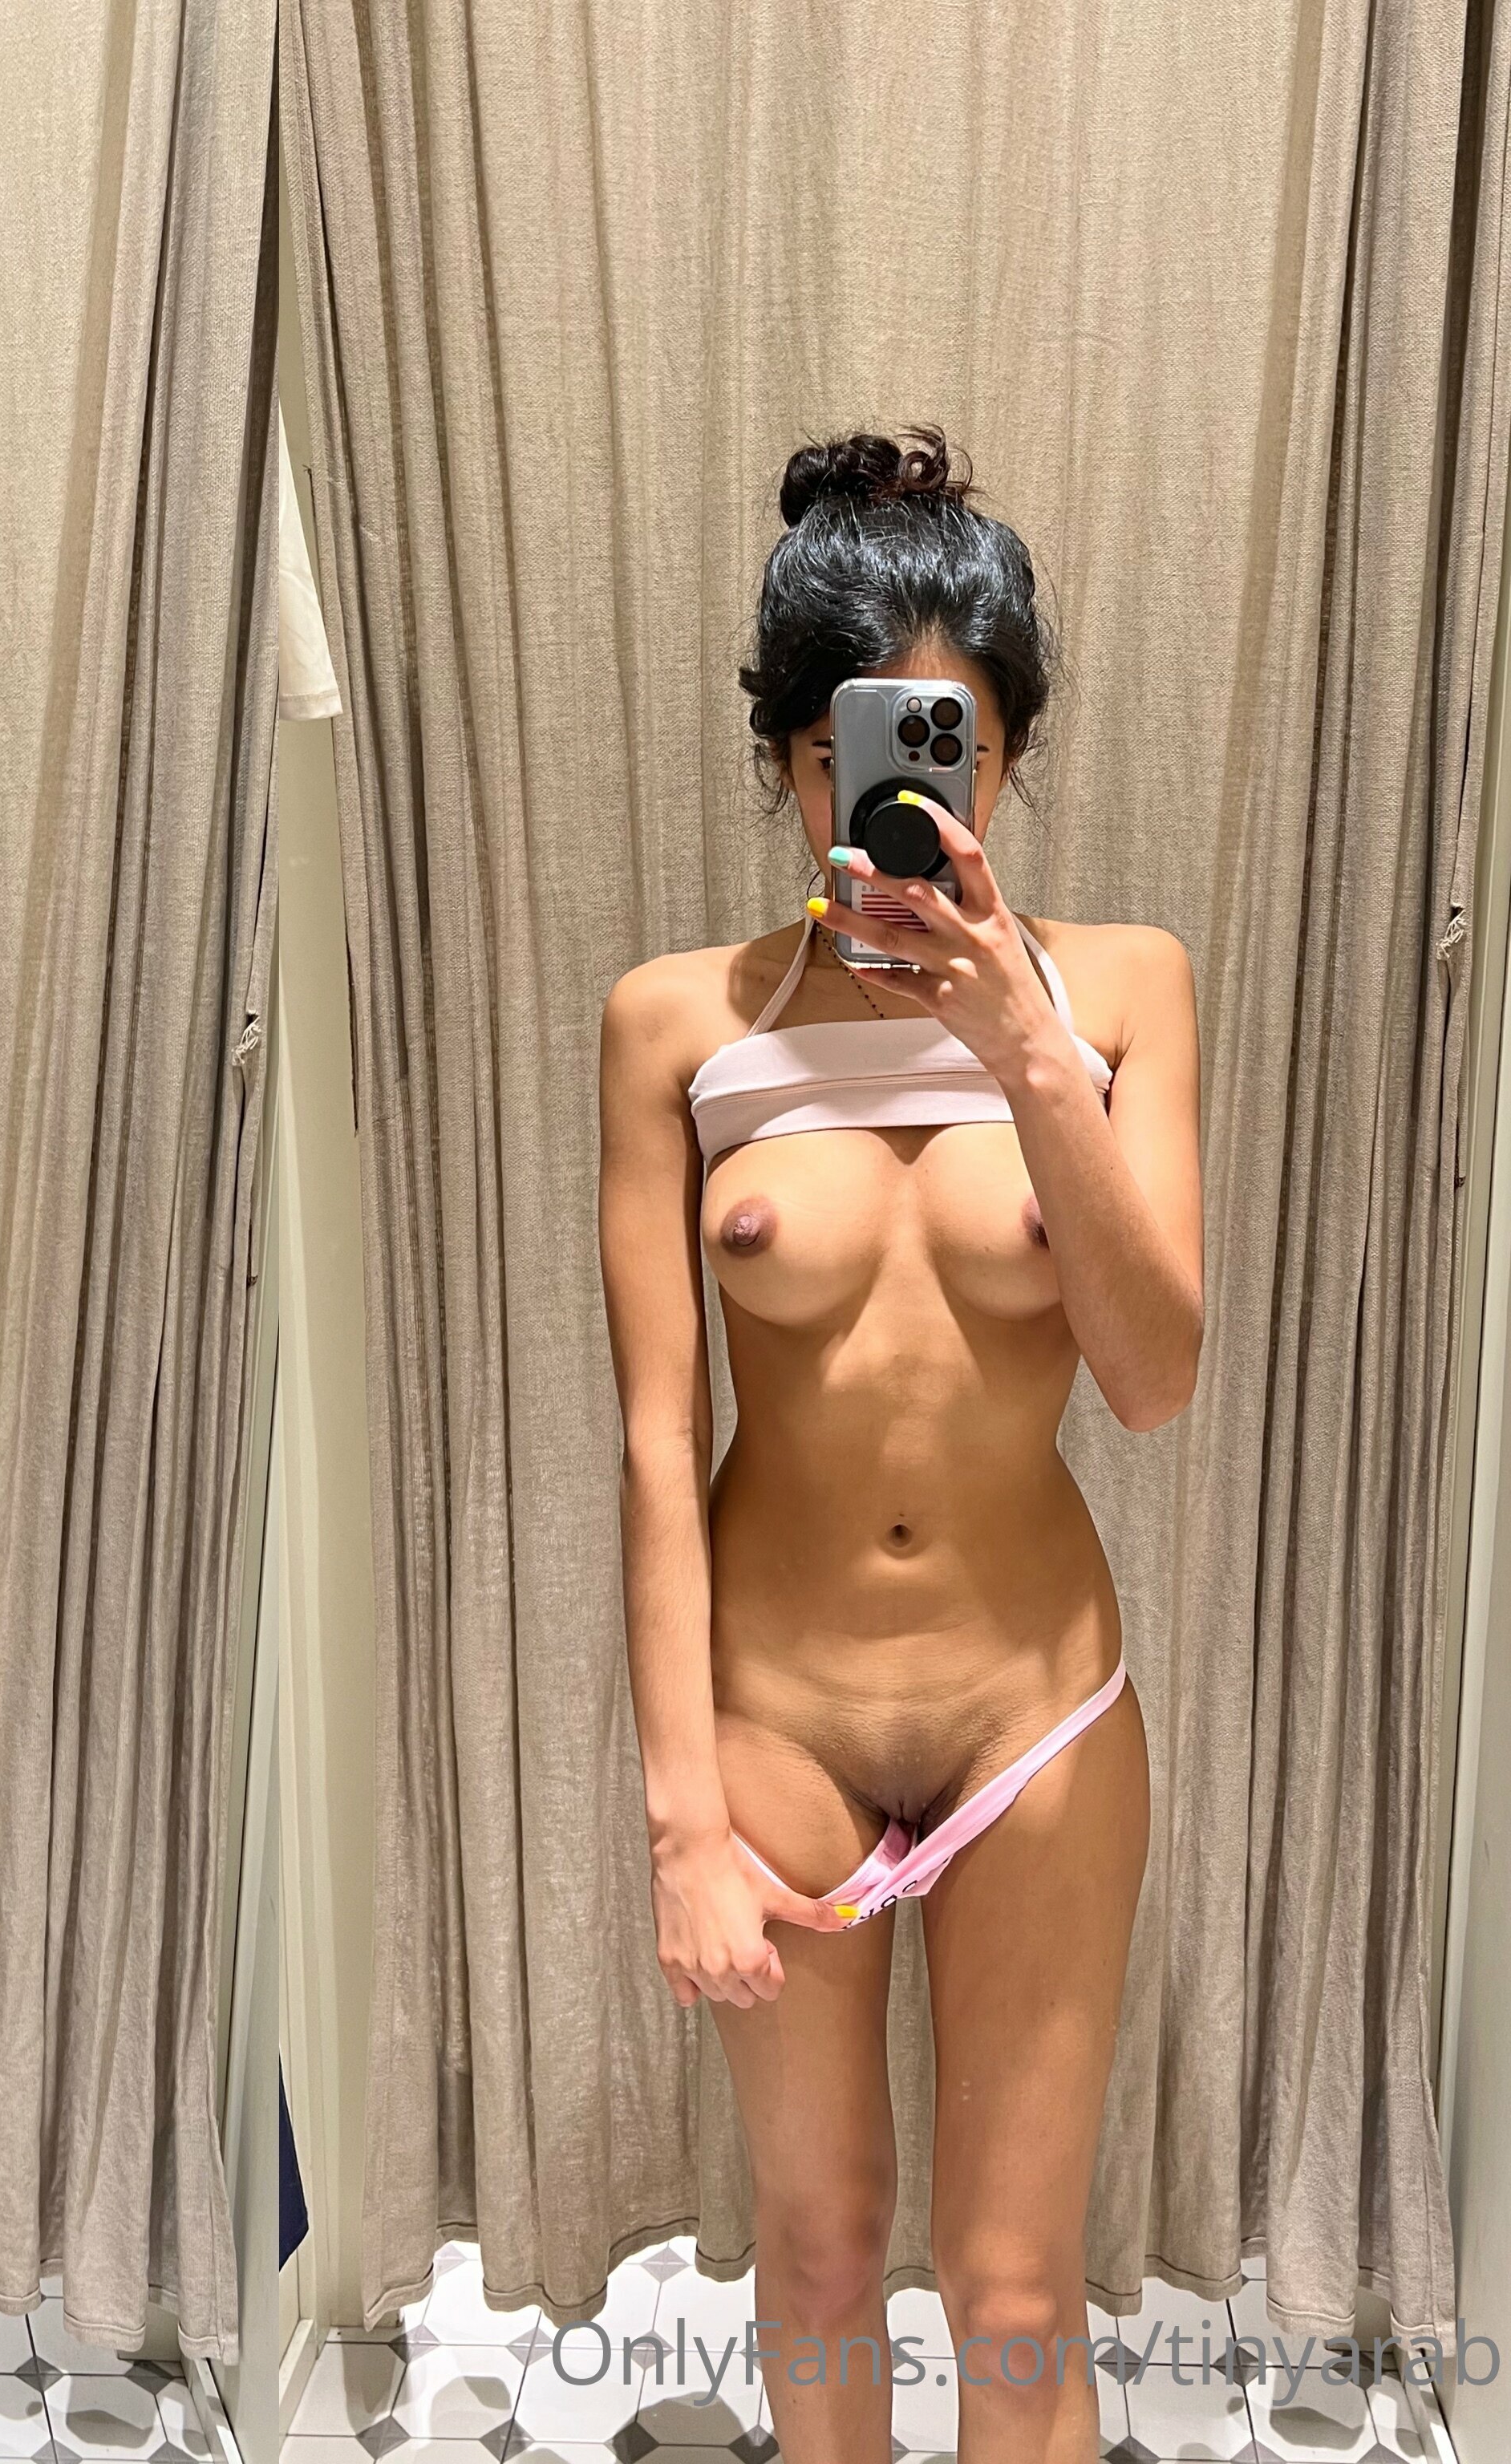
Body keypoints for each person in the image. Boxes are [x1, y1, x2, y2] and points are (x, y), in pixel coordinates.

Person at [598, 432, 1202, 2464]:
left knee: (1019, 2287)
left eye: (963, 753)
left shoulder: (1123, 995)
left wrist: (1028, 1048)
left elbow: (1154, 1375)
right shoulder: (680, 1025)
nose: (908, 807)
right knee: (823, 2250)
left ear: (1009, 755)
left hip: (1039, 1713)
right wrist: (682, 1824)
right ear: (790, 760)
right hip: (775, 1719)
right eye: (847, 757)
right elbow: (654, 1441)